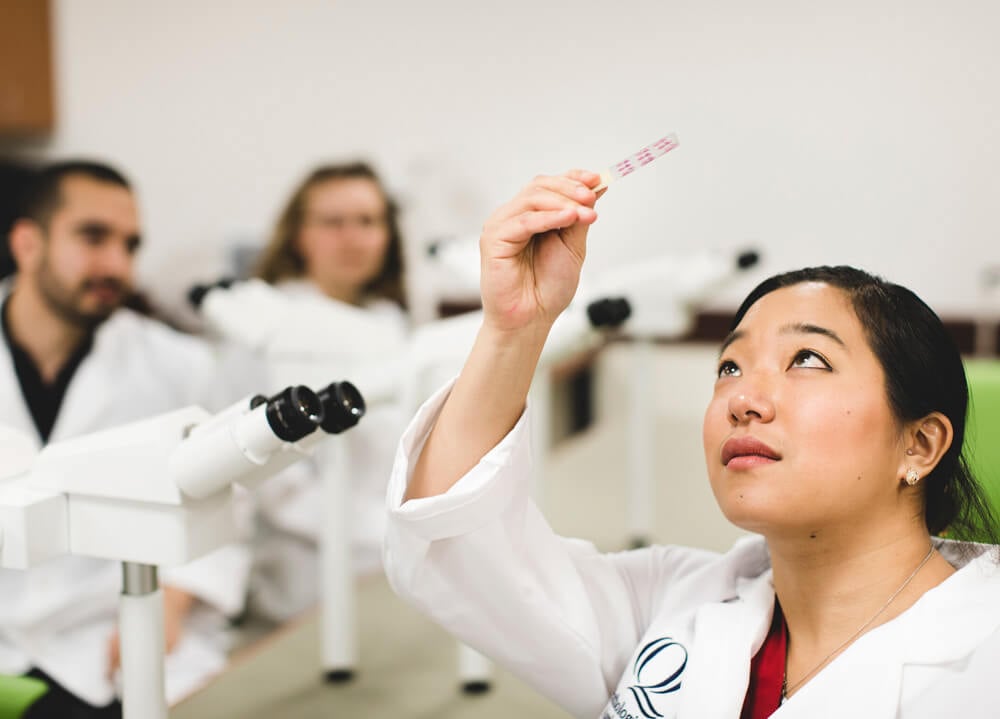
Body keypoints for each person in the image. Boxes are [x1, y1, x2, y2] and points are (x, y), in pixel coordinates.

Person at [383, 170, 1000, 718]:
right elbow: (455, 541)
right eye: (730, 366)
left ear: (919, 445)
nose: (743, 398)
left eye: (807, 359)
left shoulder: (983, 658)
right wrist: (514, 329)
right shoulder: (676, 600)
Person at [0, 160, 251, 717]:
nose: (117, 264)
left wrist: (176, 602)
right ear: (27, 243)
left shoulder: (178, 366)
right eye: (93, 237)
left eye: (130, 244)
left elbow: (228, 504)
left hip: (115, 638)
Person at [247, 161, 409, 620]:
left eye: (367, 221)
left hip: (391, 544)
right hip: (310, 563)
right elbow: (274, 487)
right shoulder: (266, 328)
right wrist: (393, 532)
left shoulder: (388, 321)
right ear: (300, 235)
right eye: (333, 222)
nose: (353, 238)